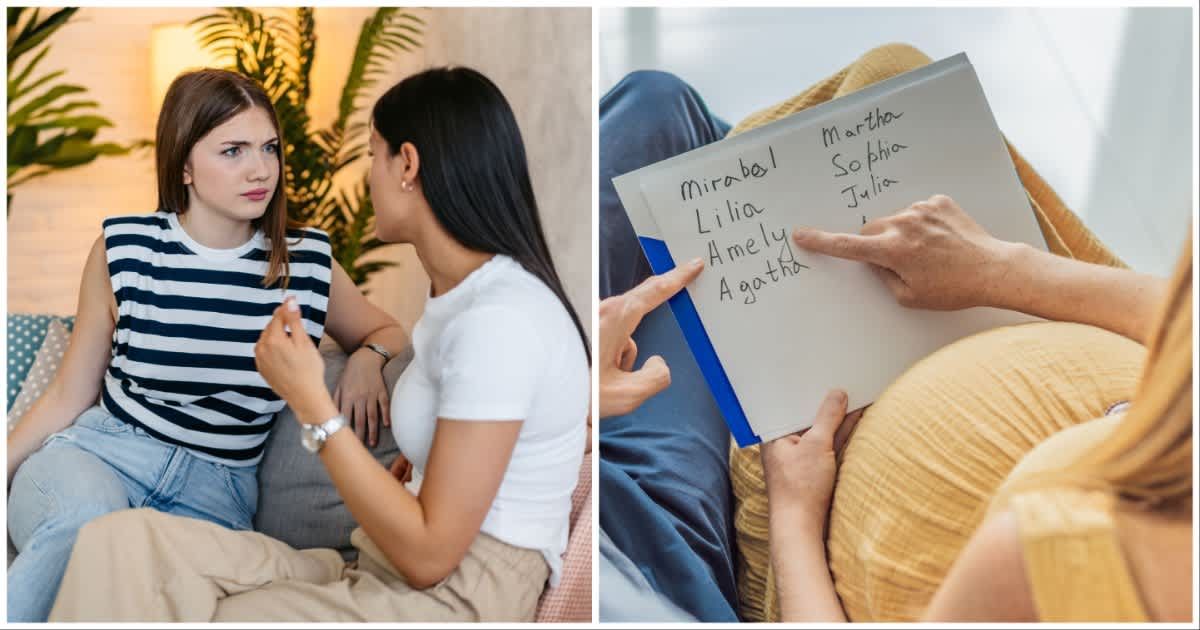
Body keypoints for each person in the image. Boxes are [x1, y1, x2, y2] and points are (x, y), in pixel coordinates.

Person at [595, 56, 1190, 622]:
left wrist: (795, 518)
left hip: (641, 533)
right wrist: (1001, 269)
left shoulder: (1051, 553)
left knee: (675, 132)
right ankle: (725, 165)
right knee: (672, 107)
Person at [48, 66, 590, 623]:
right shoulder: (460, 301)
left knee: (215, 611)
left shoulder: (498, 320)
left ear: (408, 165)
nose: (366, 178)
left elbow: (429, 556)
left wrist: (312, 402)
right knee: (120, 542)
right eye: (233, 151)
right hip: (380, 567)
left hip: (447, 597)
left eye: (372, 154)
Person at [5, 69, 407, 623]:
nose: (260, 169)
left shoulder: (306, 261)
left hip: (215, 495)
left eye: (269, 148)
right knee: (88, 528)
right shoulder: (124, 249)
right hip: (99, 458)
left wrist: (370, 358)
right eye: (234, 150)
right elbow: (68, 393)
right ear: (185, 164)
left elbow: (387, 332)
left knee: (154, 585)